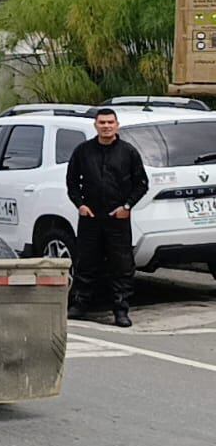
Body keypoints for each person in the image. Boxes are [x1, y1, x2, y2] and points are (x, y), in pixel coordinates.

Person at [66, 108, 149, 327]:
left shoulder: (128, 152)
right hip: (90, 217)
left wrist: (127, 206)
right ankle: (80, 304)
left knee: (121, 264)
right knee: (86, 261)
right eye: (102, 122)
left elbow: (142, 184)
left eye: (110, 122)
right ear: (96, 125)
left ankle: (121, 310)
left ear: (117, 125)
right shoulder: (83, 151)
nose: (106, 126)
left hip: (118, 217)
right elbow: (72, 182)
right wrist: (80, 205)